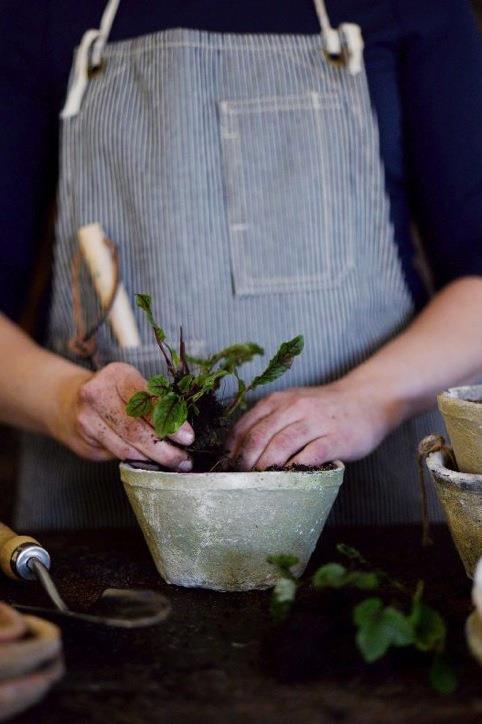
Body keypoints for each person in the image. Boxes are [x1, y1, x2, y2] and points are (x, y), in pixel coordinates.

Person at [1, 0, 482, 529]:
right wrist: (66, 401)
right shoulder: (39, 13)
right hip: (104, 527)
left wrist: (367, 400)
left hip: (375, 522)